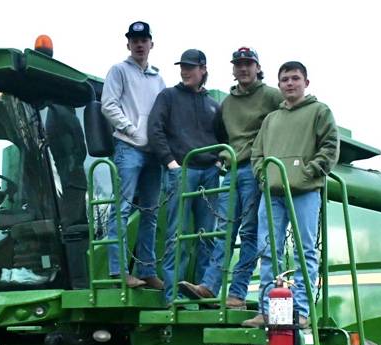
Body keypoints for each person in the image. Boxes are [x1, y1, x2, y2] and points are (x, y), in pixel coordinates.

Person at [178, 47, 282, 307]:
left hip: (254, 169)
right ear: (233, 69)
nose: (243, 68)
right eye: (238, 64)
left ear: (258, 67)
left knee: (249, 233)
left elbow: (291, 117)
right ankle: (209, 285)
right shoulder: (227, 103)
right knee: (223, 229)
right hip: (231, 170)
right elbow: (220, 133)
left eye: (248, 63)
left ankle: (237, 292)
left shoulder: (271, 96)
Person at [243, 60, 339, 328]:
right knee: (267, 251)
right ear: (279, 84)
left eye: (295, 78)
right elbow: (257, 153)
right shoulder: (271, 119)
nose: (290, 83)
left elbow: (330, 147)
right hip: (272, 193)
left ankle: (302, 311)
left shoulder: (320, 111)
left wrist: (309, 173)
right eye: (284, 79)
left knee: (304, 251)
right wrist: (263, 176)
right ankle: (266, 311)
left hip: (305, 192)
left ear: (306, 82)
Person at [147, 49, 220, 302]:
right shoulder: (168, 97)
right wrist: (170, 162)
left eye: (190, 67)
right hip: (182, 171)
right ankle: (173, 296)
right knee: (176, 235)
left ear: (203, 70)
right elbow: (154, 129)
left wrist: (221, 159)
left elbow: (224, 137)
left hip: (210, 173)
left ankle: (205, 295)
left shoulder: (213, 104)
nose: (185, 71)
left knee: (207, 236)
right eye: (182, 67)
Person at [100, 21, 166, 289]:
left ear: (151, 43)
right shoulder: (118, 72)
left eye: (144, 39)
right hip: (128, 147)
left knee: (150, 210)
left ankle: (147, 269)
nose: (139, 44)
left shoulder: (159, 79)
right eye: (134, 40)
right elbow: (108, 105)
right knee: (123, 208)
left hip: (153, 154)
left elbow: (164, 114)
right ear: (128, 44)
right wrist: (130, 129)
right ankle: (118, 270)